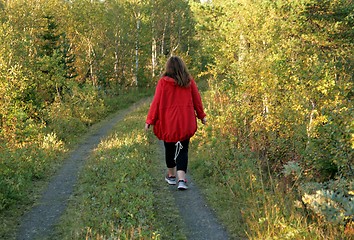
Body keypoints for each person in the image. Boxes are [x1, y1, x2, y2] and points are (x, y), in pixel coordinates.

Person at [145, 56, 207, 190]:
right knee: (183, 149)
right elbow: (197, 100)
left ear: (168, 68)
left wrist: (150, 120)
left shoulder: (163, 83)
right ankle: (182, 180)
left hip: (168, 123)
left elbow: (156, 102)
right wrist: (202, 116)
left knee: (170, 148)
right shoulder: (189, 82)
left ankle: (171, 176)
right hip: (185, 121)